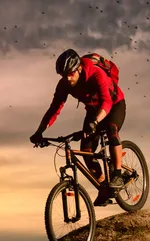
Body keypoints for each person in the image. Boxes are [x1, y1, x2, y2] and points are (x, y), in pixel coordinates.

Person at [29, 49, 127, 207]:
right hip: (93, 110)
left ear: (79, 68)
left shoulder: (96, 74)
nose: (67, 78)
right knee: (86, 151)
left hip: (114, 105)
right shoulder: (64, 85)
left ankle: (118, 174)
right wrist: (39, 132)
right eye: (63, 75)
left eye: (70, 74)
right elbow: (54, 109)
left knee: (111, 131)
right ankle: (104, 188)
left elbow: (107, 102)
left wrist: (95, 121)